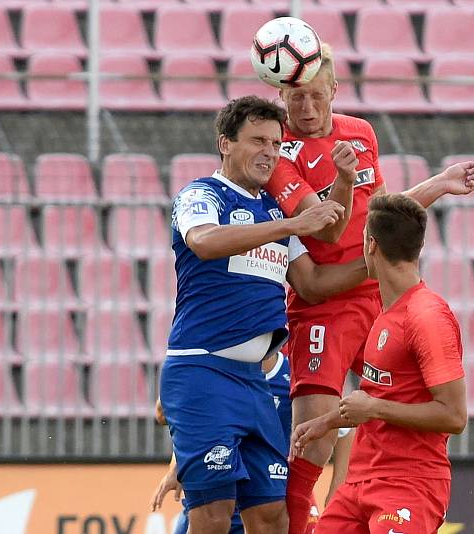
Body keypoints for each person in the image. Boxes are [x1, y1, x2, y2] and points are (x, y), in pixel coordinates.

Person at [264, 43, 474, 533]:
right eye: (296, 98)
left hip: (373, 294)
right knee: (314, 435)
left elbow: (383, 214)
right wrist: (344, 185)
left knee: (384, 400)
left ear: (335, 91)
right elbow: (323, 229)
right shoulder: (281, 152)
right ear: (281, 94)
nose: (306, 108)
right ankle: (302, 520)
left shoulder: (360, 132)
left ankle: (370, 499)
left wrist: (438, 184)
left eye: (317, 96)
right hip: (324, 304)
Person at [158, 95, 368, 534]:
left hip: (257, 383)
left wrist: (378, 264)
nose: (270, 152)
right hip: (203, 371)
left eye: (276, 143)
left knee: (272, 517)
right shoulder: (202, 194)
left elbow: (311, 283)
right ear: (225, 144)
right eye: (257, 141)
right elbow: (204, 241)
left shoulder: (272, 211)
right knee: (213, 517)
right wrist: (291, 226)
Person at [289, 193, 468, 534]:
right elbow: (375, 396)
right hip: (360, 481)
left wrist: (374, 409)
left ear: (370, 245)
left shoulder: (427, 316)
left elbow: (454, 416)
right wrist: (325, 422)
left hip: (409, 483)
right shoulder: (385, 315)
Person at [150, 351, 355, 534]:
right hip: (217, 497)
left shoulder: (296, 374)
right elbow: (173, 412)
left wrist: (336, 492)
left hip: (275, 496)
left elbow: (343, 427)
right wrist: (176, 463)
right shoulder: (217, 367)